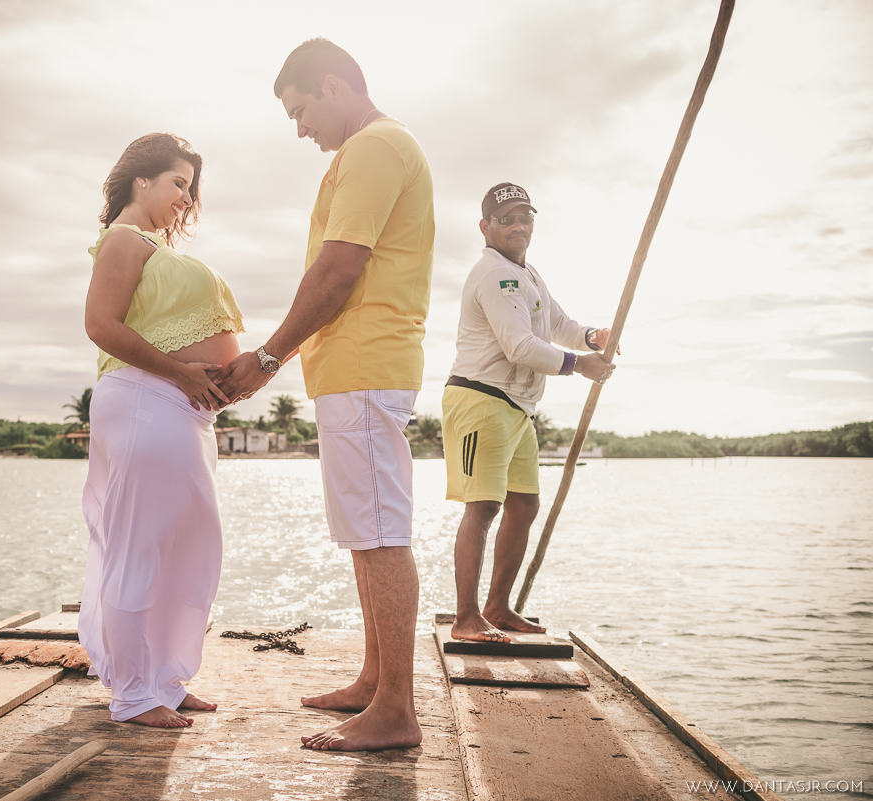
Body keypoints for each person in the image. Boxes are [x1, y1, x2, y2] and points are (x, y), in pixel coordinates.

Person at [217, 38, 433, 752]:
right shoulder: (364, 151)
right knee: (361, 531)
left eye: (301, 109)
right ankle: (376, 680)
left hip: (368, 363)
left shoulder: (375, 147)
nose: (299, 127)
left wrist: (269, 356)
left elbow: (339, 271)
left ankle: (397, 710)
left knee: (378, 531)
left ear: (335, 86)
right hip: (353, 369)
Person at [81, 133, 243, 728]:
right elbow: (100, 325)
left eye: (191, 188)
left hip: (182, 412)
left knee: (188, 550)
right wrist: (180, 371)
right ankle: (132, 694)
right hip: (147, 402)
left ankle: (164, 681)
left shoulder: (151, 244)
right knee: (139, 547)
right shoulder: (123, 241)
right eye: (178, 182)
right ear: (139, 179)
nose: (186, 196)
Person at [442, 183, 615, 644]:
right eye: (506, 219)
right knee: (481, 508)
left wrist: (593, 336)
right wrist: (580, 365)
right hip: (481, 399)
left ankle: (498, 607)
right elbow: (519, 346)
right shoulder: (494, 275)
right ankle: (466, 617)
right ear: (486, 227)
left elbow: (557, 324)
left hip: (517, 407)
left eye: (525, 217)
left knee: (524, 503)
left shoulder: (527, 272)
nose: (518, 226)